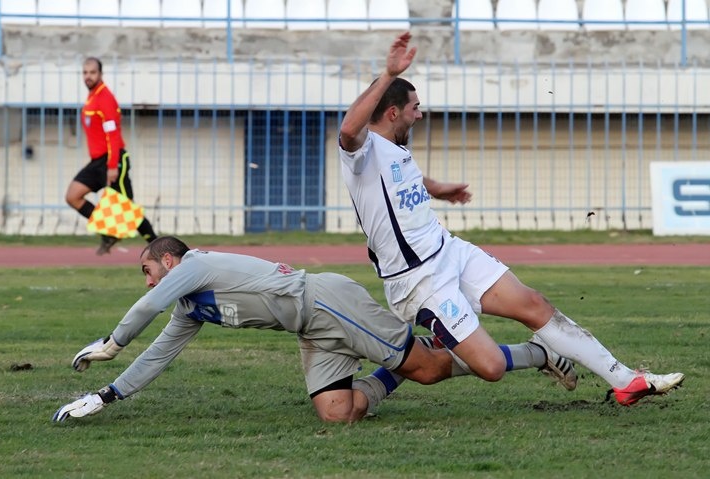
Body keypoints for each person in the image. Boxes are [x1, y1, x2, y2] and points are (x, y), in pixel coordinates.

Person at [337, 31, 684, 406]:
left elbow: (405, 180)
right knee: (489, 366)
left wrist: (440, 189)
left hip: (448, 251)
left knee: (534, 304)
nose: (420, 114)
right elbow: (347, 130)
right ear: (393, 112)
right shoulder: (361, 149)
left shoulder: (395, 149)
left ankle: (626, 380)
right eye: (414, 107)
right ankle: (534, 354)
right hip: (418, 281)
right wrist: (388, 74)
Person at [52, 236, 576, 424]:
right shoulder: (191, 305)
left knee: (432, 370)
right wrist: (109, 394)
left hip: (327, 303)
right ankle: (403, 355)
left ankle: (536, 353)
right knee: (337, 414)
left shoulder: (195, 264)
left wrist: (112, 343)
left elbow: (145, 308)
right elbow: (161, 354)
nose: (147, 279)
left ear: (168, 261)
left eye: (147, 269)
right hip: (313, 330)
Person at [65, 56, 158, 256]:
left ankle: (159, 247)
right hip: (97, 162)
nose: (88, 76)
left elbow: (113, 133)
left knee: (128, 211)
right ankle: (109, 232)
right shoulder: (92, 97)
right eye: (85, 72)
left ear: (100, 74)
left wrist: (113, 165)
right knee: (73, 196)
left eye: (92, 72)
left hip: (112, 160)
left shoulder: (105, 97)